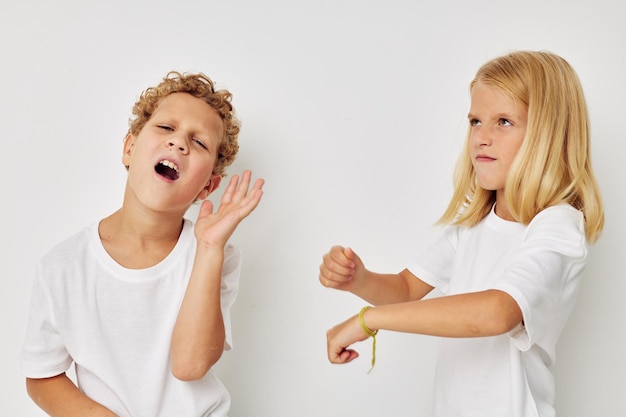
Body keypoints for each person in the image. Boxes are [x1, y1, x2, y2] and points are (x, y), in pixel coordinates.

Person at [319, 50, 604, 417]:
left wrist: (368, 321)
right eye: (474, 121)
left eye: (503, 121)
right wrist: (360, 280)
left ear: (548, 136)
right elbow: (405, 291)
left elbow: (497, 312)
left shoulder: (558, 227)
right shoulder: (473, 228)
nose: (481, 137)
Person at [20, 71, 264, 417]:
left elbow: (190, 365)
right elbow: (41, 375)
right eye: (166, 128)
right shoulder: (63, 266)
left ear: (208, 187)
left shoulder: (215, 256)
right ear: (130, 149)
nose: (178, 143)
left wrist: (209, 248)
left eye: (199, 143)